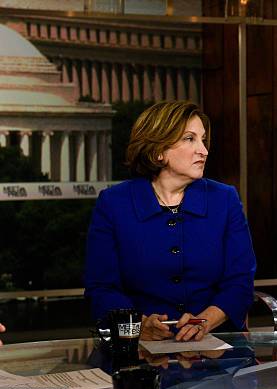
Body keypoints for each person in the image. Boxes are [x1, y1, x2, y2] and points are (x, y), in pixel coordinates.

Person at [84, 101, 256, 342]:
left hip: (217, 352)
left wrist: (204, 321)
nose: (203, 151)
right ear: (158, 151)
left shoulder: (224, 199)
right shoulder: (114, 203)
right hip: (138, 349)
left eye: (203, 140)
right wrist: (139, 325)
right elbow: (101, 288)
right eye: (189, 139)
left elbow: (240, 282)